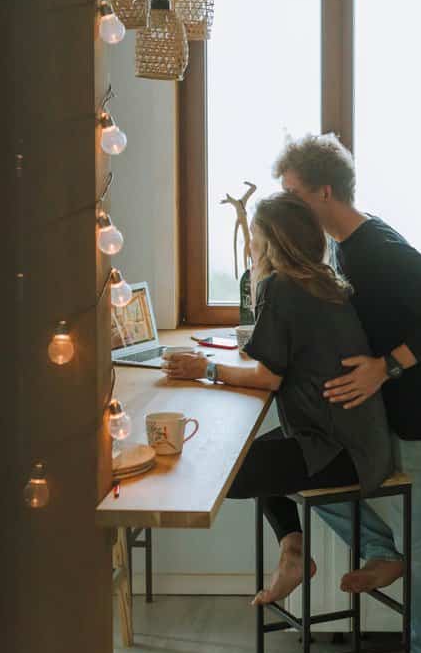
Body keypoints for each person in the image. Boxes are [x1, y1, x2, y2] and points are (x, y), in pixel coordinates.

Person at [274, 133, 421, 653]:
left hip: (415, 414)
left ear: (325, 191)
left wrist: (386, 367)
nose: (287, 205)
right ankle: (384, 553)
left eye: (293, 194)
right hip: (379, 416)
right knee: (307, 474)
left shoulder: (378, 247)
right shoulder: (343, 246)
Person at [163, 192, 393, 607]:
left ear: (270, 243)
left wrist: (207, 370)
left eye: (254, 235)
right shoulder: (322, 282)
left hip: (336, 448)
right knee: (245, 453)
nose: (249, 244)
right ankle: (294, 553)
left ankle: (301, 552)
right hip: (358, 441)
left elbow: (269, 378)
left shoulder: (281, 287)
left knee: (223, 474)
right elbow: (283, 353)